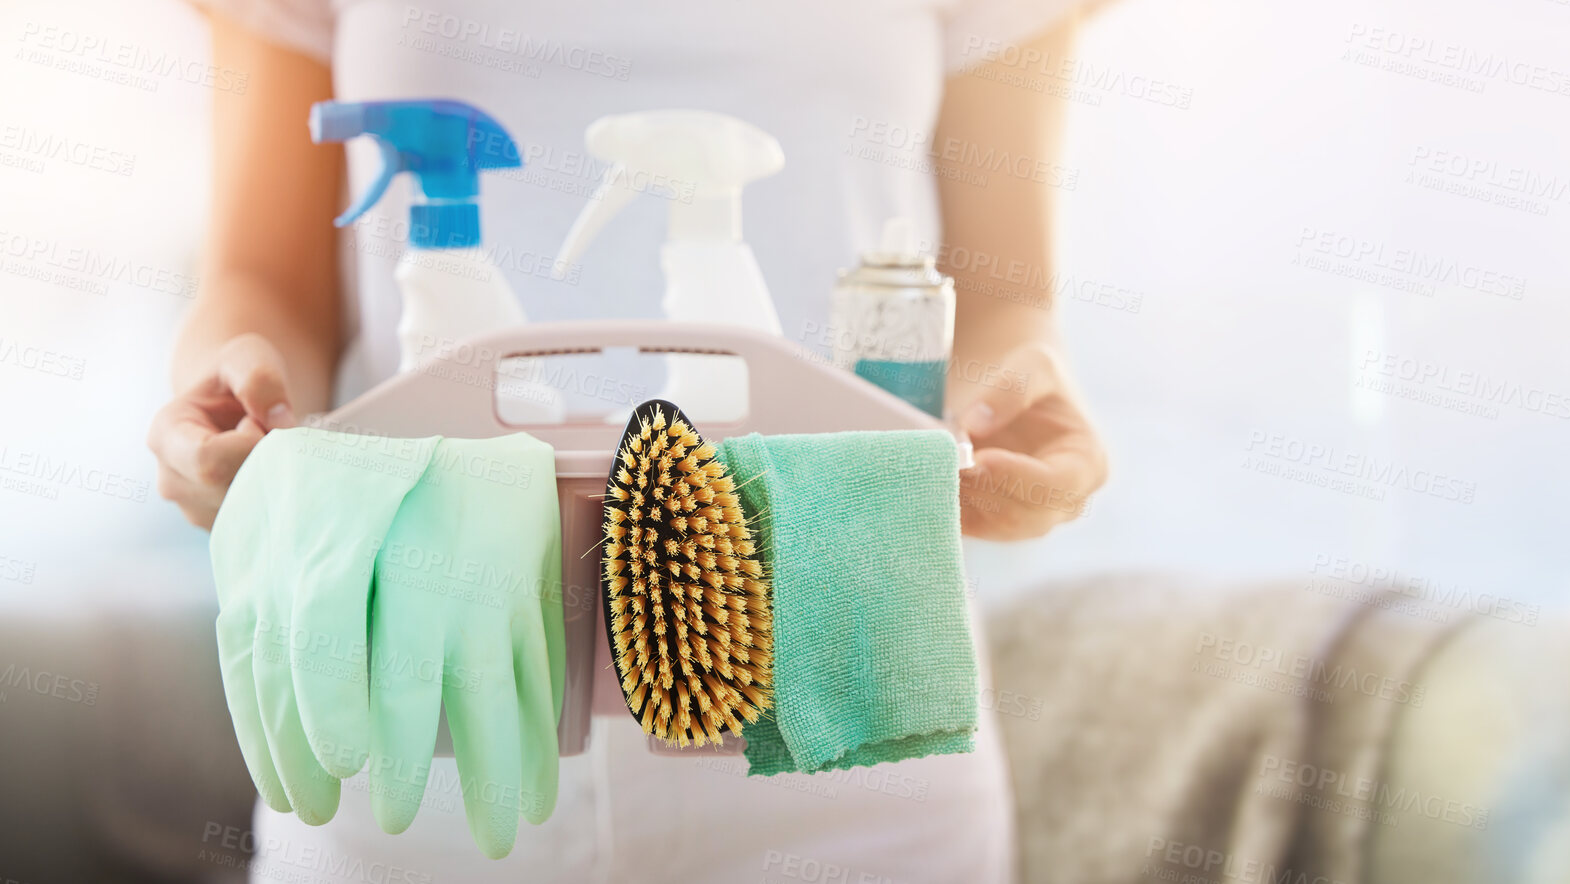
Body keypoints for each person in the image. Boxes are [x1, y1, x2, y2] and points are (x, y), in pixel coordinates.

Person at [145, 1, 1109, 880]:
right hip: (417, 687)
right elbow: (266, 281)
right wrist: (236, 401)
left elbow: (1001, 301)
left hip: (847, 702)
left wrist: (1013, 413)